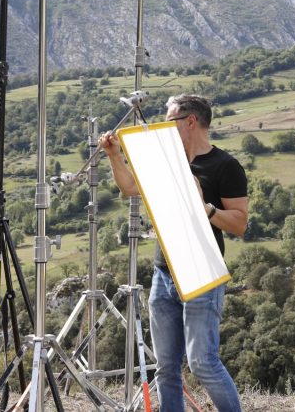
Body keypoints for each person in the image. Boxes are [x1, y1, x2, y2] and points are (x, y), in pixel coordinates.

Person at [99, 94, 248, 412]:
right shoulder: (167, 162)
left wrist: (205, 207)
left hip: (202, 273)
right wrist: (114, 155)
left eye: (169, 121)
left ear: (190, 121)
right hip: (163, 274)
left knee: (202, 362)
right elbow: (129, 188)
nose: (162, 128)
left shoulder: (226, 166)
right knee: (166, 368)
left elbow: (239, 223)